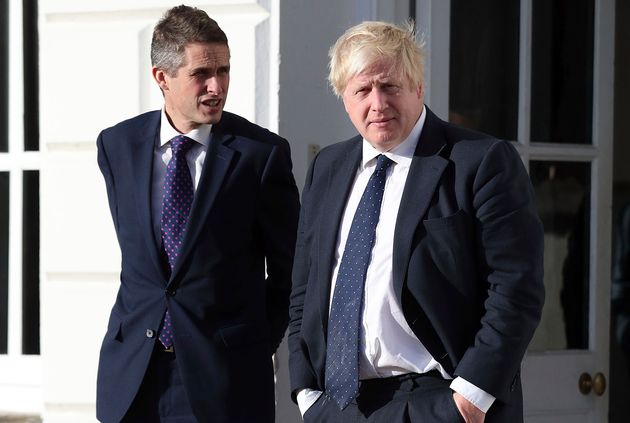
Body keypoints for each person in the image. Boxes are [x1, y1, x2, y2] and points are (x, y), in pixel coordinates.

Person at [288, 21, 544, 423]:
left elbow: (516, 288)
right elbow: (304, 286)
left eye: (389, 86)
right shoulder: (328, 167)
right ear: (344, 99)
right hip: (339, 406)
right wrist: (305, 392)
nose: (378, 103)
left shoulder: (480, 161)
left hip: (437, 400)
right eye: (362, 90)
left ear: (418, 87)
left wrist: (470, 398)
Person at [95, 5, 299, 422]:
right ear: (161, 77)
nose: (216, 86)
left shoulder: (260, 155)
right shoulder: (118, 146)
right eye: (201, 74)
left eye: (223, 71)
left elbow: (291, 272)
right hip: (134, 376)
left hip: (224, 382)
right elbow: (142, 264)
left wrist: (252, 344)